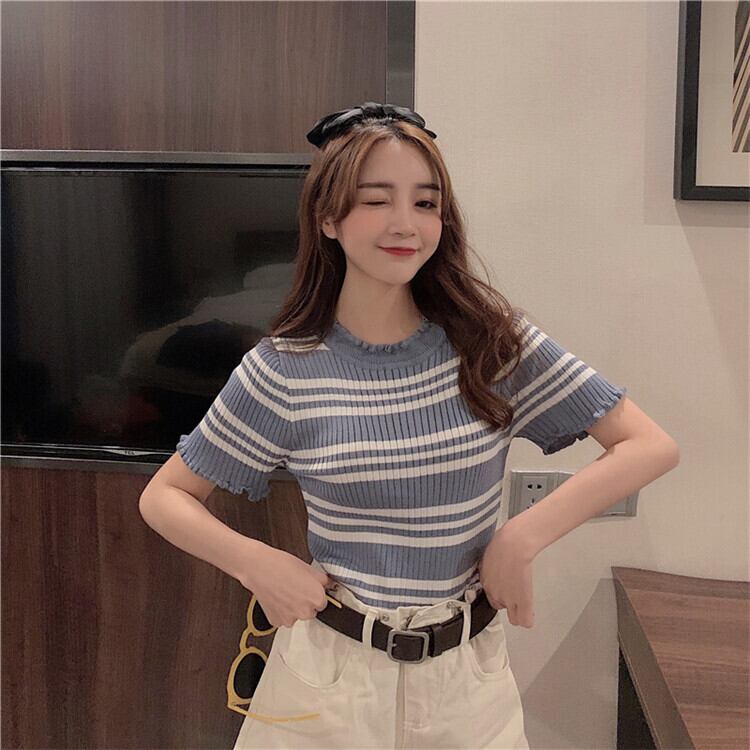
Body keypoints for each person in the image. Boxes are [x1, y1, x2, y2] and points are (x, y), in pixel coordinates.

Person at [140, 102, 679, 749]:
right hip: (325, 679)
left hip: (464, 683)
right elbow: (165, 497)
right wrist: (257, 564)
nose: (405, 223)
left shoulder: (492, 344)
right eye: (377, 200)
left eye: (425, 203)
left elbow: (648, 445)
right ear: (328, 218)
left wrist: (522, 536)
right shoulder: (283, 369)